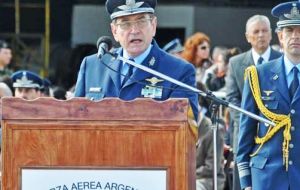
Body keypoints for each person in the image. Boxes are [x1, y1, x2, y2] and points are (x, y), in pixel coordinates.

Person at [74, 0, 199, 120]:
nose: (134, 31)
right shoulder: (93, 65)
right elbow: (75, 120)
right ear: (114, 31)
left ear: (154, 25)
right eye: (125, 23)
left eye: (141, 21)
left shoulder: (179, 71)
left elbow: (183, 130)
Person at [237, 3, 300, 190]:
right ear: (280, 36)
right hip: (266, 177)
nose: (295, 36)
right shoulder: (258, 75)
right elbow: (246, 132)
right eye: (289, 30)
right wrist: (246, 182)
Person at [224, 14, 282, 190]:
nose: (261, 35)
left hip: (275, 134)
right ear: (247, 37)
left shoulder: (282, 60)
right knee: (242, 183)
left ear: (272, 35)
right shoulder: (236, 63)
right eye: (256, 32)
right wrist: (248, 119)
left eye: (265, 31)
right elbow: (232, 98)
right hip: (243, 133)